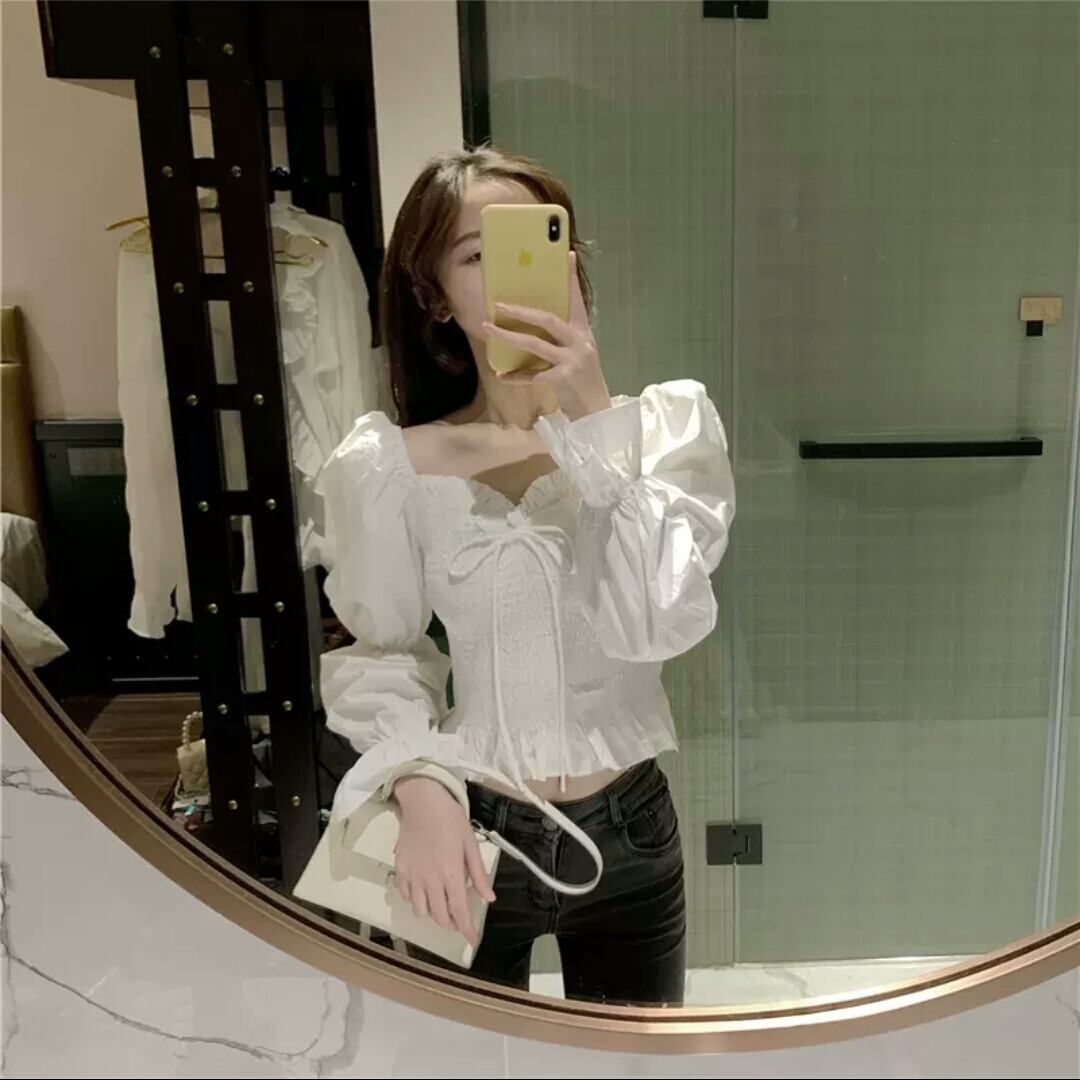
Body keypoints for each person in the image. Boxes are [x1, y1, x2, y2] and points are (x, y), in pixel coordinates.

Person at [315, 146, 735, 1006]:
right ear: (434, 295)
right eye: (478, 254)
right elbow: (383, 652)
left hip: (632, 835)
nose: (516, 277)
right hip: (466, 829)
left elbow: (658, 621)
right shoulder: (391, 465)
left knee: (633, 1069)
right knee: (451, 1061)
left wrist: (595, 417)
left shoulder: (657, 433)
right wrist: (419, 781)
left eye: (540, 245)